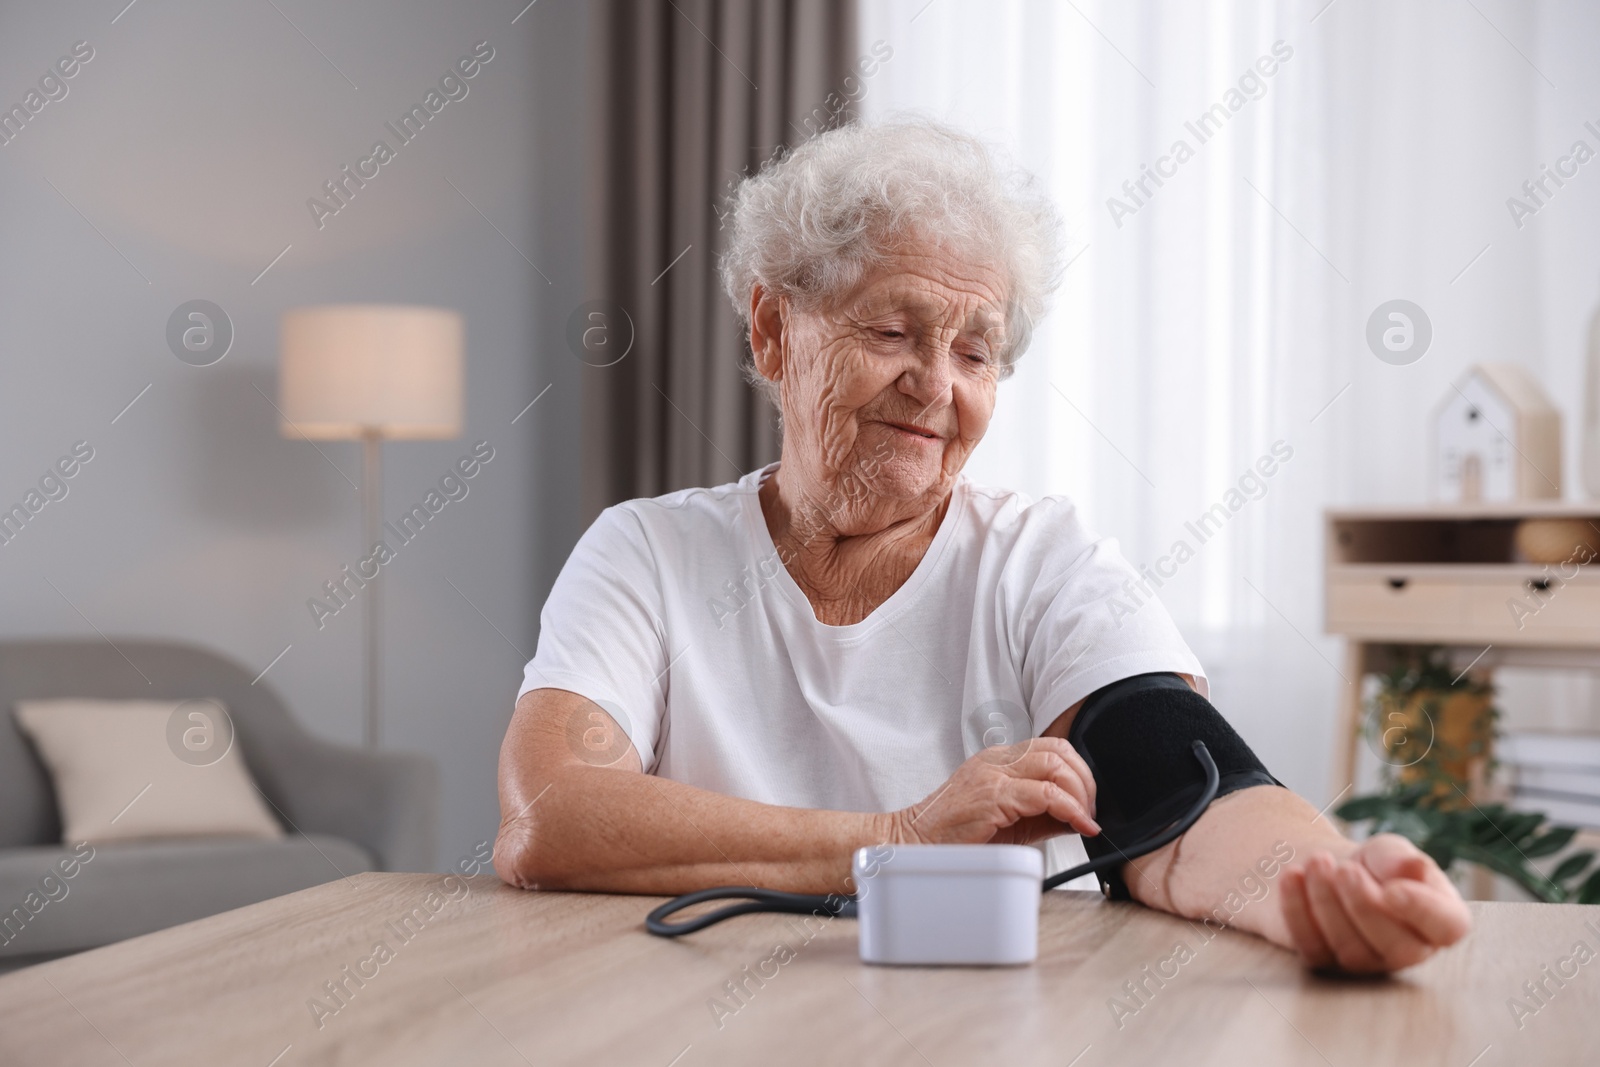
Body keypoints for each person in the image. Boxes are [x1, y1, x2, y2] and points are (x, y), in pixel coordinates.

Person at [494, 119, 1470, 974]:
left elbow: (1185, 801)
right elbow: (552, 816)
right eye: (892, 329)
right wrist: (901, 836)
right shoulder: (646, 552)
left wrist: (1326, 881)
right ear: (771, 330)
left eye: (974, 351)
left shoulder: (1044, 561)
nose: (935, 384)